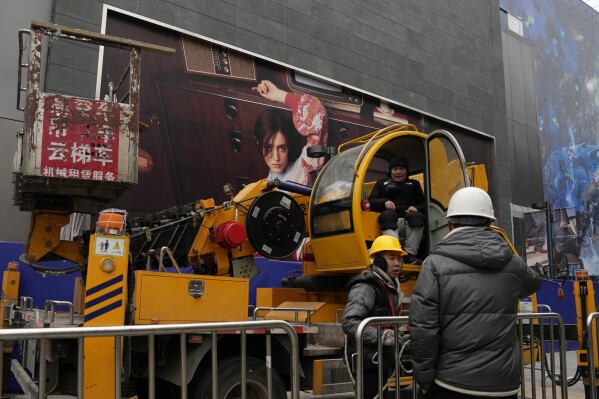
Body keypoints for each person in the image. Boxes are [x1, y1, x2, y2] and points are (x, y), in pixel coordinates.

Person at [409, 187, 542, 399]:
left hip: (452, 382)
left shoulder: (434, 263)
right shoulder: (513, 263)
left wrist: (424, 379)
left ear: (450, 223)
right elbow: (533, 284)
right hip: (503, 383)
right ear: (491, 224)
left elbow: (423, 329)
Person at [342, 235, 409, 399]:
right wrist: (383, 336)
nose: (397, 263)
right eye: (391, 258)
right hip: (366, 362)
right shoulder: (365, 286)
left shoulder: (387, 284)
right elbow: (350, 322)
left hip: (378, 359)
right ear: (378, 261)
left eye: (399, 259)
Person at [252, 80, 328, 186]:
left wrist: (279, 95)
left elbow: (317, 111)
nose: (276, 157)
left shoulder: (304, 169)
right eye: (268, 148)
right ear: (258, 144)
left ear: (289, 144)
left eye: (282, 148)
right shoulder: (261, 187)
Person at [368, 156, 425, 264]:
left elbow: (425, 204)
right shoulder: (381, 184)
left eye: (401, 169)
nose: (398, 172)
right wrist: (384, 202)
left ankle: (410, 256)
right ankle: (395, 252)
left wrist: (416, 208)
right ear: (390, 171)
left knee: (416, 217)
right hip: (386, 223)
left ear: (406, 171)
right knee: (388, 215)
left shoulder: (414, 184)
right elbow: (371, 201)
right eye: (395, 169)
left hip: (407, 223)